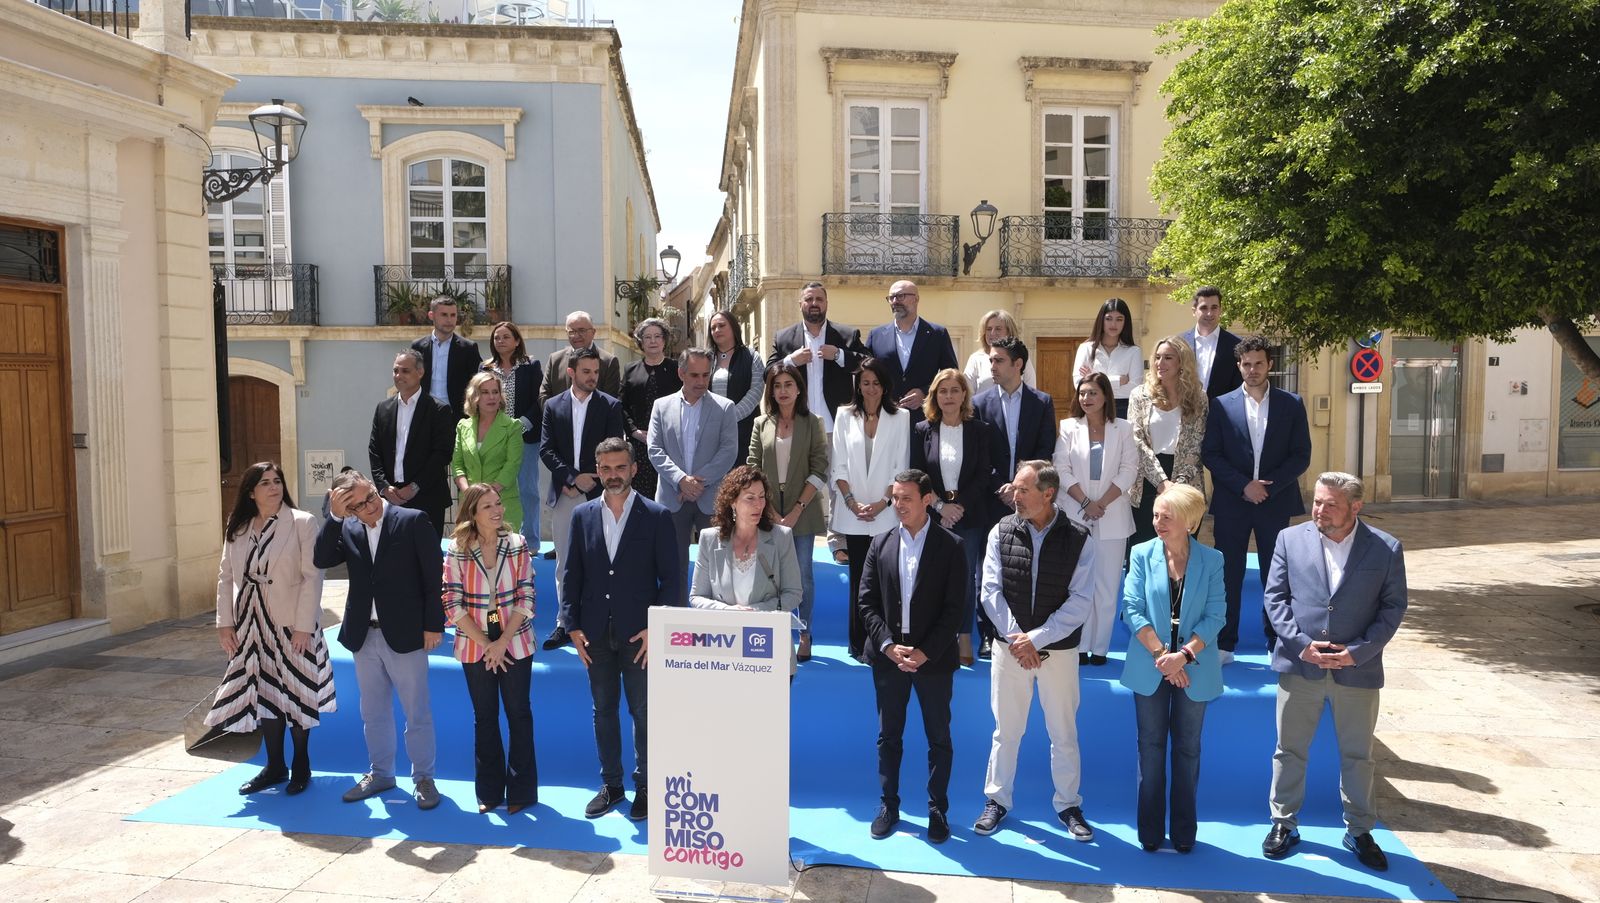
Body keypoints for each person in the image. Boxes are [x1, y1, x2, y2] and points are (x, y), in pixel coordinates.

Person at [1262, 473, 1408, 872]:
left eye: (1331, 504)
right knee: (1289, 750)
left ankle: (1359, 830)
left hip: (1356, 671)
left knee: (1358, 756)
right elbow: (1274, 598)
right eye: (1317, 501)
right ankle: (1283, 823)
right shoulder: (1289, 539)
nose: (1319, 510)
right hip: (1300, 664)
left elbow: (1393, 608)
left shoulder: (1386, 548)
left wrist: (1357, 653)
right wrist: (1300, 644)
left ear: (1355, 507)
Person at [972, 460, 1097, 843]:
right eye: (1014, 488)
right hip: (1010, 650)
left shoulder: (1080, 537)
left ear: (1048, 494)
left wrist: (1036, 639)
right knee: (1005, 731)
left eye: (1023, 489)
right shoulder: (1001, 529)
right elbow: (989, 591)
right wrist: (1017, 638)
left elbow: (1080, 601)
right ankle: (997, 800)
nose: (1014, 495)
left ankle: (1068, 805)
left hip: (1057, 653)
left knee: (1063, 733)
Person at [561, 438, 680, 821]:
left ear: (633, 469)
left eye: (620, 467)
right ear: (598, 470)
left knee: (644, 712)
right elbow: (571, 574)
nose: (613, 475)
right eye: (606, 468)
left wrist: (655, 626)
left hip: (639, 636)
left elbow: (673, 581)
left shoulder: (658, 516)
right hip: (595, 634)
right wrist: (572, 625)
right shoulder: (582, 516)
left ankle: (645, 785)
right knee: (603, 711)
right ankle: (612, 786)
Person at [314, 471, 444, 810]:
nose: (368, 508)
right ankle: (381, 773)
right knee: (373, 711)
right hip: (363, 633)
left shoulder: (413, 520)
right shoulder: (348, 526)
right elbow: (322, 559)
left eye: (369, 497)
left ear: (375, 489)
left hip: (406, 633)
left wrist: (433, 626)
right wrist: (334, 517)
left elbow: (434, 577)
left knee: (417, 712)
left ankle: (424, 779)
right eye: (357, 506)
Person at [206, 461, 334, 797]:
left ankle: (302, 763)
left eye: (277, 480)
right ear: (251, 491)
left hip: (292, 623)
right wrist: (225, 623)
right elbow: (226, 577)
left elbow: (312, 576)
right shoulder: (238, 527)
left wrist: (305, 627)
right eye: (265, 482)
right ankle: (275, 765)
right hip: (251, 622)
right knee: (265, 693)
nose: (274, 487)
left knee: (297, 691)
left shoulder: (303, 522)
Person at [857, 469, 968, 843]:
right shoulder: (879, 543)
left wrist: (924, 652)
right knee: (889, 735)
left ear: (926, 500)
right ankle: (889, 805)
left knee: (939, 738)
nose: (898, 504)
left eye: (906, 497)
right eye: (895, 497)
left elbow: (955, 609)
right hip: (889, 657)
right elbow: (867, 603)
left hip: (933, 660)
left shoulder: (951, 546)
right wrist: (889, 646)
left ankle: (937, 808)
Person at [1119, 484, 1225, 854]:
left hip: (1193, 668)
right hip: (1152, 664)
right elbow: (1132, 609)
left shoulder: (1212, 561)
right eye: (1155, 515)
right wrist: (1165, 656)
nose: (1158, 522)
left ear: (1190, 522)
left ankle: (1183, 834)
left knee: (1187, 750)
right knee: (1149, 749)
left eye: (1167, 516)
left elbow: (1216, 617)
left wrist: (1184, 657)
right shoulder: (1140, 553)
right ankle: (1149, 833)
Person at [1202, 336, 1312, 663]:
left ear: (1270, 365)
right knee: (1228, 574)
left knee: (1275, 575)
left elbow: (1301, 455)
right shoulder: (1220, 405)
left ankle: (1276, 639)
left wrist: (1268, 486)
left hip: (1274, 502)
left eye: (1258, 363)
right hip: (1232, 503)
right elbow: (1212, 454)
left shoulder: (1291, 404)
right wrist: (1243, 486)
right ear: (1239, 366)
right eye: (1246, 364)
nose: (1252, 369)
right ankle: (1225, 643)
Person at [441, 483, 538, 815]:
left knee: (519, 715)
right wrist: (487, 645)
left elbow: (526, 595)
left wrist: (502, 642)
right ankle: (490, 792)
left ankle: (522, 792)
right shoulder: (456, 550)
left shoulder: (518, 544)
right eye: (488, 506)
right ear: (472, 512)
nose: (497, 510)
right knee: (485, 718)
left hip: (515, 640)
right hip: (475, 645)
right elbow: (451, 603)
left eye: (498, 503)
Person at [767, 282, 867, 564]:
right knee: (799, 483)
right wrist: (789, 361)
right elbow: (768, 372)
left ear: (826, 303)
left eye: (819, 299)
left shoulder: (846, 335)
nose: (814, 304)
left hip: (837, 425)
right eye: (809, 299)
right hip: (798, 425)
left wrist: (841, 356)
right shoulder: (785, 337)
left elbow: (869, 363)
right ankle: (790, 537)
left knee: (838, 483)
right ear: (800, 303)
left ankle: (837, 541)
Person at [971, 336, 1058, 659]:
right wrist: (1003, 487)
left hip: (1031, 502)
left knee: (1025, 569)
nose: (992, 366)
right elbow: (978, 454)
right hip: (992, 499)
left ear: (1018, 364)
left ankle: (1025, 633)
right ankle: (989, 635)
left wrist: (1021, 488)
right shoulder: (980, 403)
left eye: (998, 360)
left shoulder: (1042, 402)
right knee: (987, 569)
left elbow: (1044, 450)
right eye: (991, 360)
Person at [539, 347, 626, 650]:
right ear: (571, 373)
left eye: (596, 372)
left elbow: (615, 450)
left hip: (600, 494)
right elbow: (546, 449)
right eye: (586, 372)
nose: (592, 377)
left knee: (601, 559)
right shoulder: (552, 405)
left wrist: (590, 478)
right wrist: (571, 477)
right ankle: (564, 623)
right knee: (564, 560)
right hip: (565, 493)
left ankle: (601, 622)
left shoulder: (611, 406)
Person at [1054, 372, 1139, 666]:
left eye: (1092, 393)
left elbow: (1129, 469)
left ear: (1106, 397)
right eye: (1082, 393)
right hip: (1075, 510)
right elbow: (1061, 469)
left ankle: (1099, 648)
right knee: (1077, 583)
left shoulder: (1124, 429)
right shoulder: (1068, 427)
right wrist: (1086, 502)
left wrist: (1100, 503)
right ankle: (1077, 646)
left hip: (1112, 512)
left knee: (1106, 584)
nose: (1086, 399)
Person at [909, 368, 992, 667]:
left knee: (966, 577)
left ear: (964, 395)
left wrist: (959, 507)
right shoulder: (922, 430)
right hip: (933, 515)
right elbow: (918, 474)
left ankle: (965, 635)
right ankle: (934, 637)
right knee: (932, 577)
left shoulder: (979, 430)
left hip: (969, 517)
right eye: (942, 391)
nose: (949, 396)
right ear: (934, 396)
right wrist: (940, 506)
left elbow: (984, 474)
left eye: (955, 390)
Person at [745, 362, 828, 661]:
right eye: (777, 385)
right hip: (765, 511)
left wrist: (796, 511)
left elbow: (820, 469)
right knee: (768, 576)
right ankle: (775, 634)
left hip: (802, 511)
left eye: (788, 385)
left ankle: (804, 633)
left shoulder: (813, 422)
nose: (782, 391)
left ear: (798, 388)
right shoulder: (760, 423)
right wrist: (766, 509)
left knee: (803, 576)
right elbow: (752, 466)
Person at [831, 357, 911, 660]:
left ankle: (882, 645)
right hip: (853, 514)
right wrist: (852, 503)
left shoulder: (901, 417)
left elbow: (900, 467)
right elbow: (838, 467)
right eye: (866, 383)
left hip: (886, 513)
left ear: (884, 385)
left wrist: (881, 504)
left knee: (884, 581)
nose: (871, 388)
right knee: (859, 581)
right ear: (858, 385)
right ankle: (857, 643)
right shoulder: (843, 416)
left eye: (876, 383)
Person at [648, 347, 739, 607]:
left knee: (717, 568)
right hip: (672, 498)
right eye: (695, 375)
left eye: (705, 375)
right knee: (671, 567)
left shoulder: (725, 408)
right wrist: (680, 480)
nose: (701, 381)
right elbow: (654, 449)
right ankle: (675, 625)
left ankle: (713, 625)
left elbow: (728, 450)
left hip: (710, 498)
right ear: (681, 373)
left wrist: (698, 482)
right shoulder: (661, 406)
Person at [689, 466, 803, 659]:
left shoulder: (781, 537)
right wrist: (730, 612)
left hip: (770, 649)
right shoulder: (709, 539)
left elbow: (794, 594)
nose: (759, 505)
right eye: (750, 498)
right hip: (723, 651)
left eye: (762, 497)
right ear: (732, 502)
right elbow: (696, 597)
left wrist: (755, 612)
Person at [1127, 337, 1209, 552]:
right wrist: (1162, 483)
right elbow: (1136, 441)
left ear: (1182, 362)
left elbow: (1195, 445)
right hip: (1146, 481)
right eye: (1157, 357)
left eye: (1168, 358)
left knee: (1182, 553)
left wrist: (1176, 488)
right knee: (1145, 552)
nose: (1160, 363)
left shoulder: (1198, 398)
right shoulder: (1139, 395)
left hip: (1186, 482)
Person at [369, 350, 455, 537]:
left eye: (405, 371)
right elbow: (374, 451)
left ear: (420, 372)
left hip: (427, 498)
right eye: (395, 371)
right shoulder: (383, 409)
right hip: (391, 500)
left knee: (426, 561)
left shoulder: (439, 410)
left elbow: (442, 453)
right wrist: (383, 486)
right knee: (394, 561)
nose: (399, 376)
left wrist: (415, 486)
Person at [482, 321, 544, 549]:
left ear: (517, 341)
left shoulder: (531, 366)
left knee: (527, 489)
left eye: (506, 337)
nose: (500, 341)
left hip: (525, 436)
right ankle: (501, 538)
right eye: (497, 337)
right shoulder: (485, 368)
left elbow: (540, 399)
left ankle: (531, 541)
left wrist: (523, 423)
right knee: (498, 488)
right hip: (495, 437)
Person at [865, 279, 959, 424]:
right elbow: (866, 375)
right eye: (891, 297)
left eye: (901, 296)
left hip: (925, 419)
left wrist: (925, 393)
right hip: (885, 418)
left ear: (916, 298)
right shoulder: (876, 335)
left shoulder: (937, 334)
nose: (895, 301)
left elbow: (951, 374)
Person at [452, 372, 524, 532]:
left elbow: (512, 466)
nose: (491, 397)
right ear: (474, 397)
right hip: (470, 507)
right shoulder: (463, 426)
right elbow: (457, 465)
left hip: (503, 505)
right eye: (485, 392)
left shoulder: (513, 427)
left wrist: (487, 495)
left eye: (495, 392)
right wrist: (470, 493)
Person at [620, 317, 682, 499]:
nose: (653, 341)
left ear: (664, 340)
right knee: (641, 495)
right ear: (641, 342)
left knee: (670, 495)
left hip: (672, 443)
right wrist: (634, 431)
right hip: (640, 443)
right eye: (647, 337)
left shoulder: (677, 369)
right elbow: (621, 405)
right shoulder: (630, 370)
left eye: (657, 336)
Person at [411, 295, 483, 418]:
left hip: (456, 417)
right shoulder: (418, 346)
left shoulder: (468, 348)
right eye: (444, 315)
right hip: (425, 415)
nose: (449, 320)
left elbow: (478, 382)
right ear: (431, 316)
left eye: (453, 315)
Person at [707, 310, 766, 458]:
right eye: (713, 328)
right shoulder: (706, 359)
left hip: (744, 430)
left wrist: (729, 417)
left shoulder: (752, 356)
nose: (717, 330)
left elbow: (756, 392)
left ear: (733, 327)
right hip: (712, 431)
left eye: (721, 325)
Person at [1072, 298, 1143, 419]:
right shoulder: (1085, 349)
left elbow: (1134, 389)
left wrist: (1093, 380)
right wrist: (1118, 381)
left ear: (1125, 322)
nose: (1113, 324)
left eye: (1119, 319)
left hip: (1123, 410)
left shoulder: (1134, 351)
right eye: (1108, 318)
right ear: (1101, 320)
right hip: (1091, 409)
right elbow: (1078, 384)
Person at [541, 310, 622, 404]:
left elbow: (610, 400)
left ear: (593, 332)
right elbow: (544, 395)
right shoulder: (555, 360)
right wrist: (557, 415)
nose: (576, 336)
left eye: (582, 330)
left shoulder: (608, 362)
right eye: (572, 332)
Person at [1179, 286, 1243, 399]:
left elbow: (1239, 386)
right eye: (1204, 308)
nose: (1209, 313)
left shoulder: (1237, 345)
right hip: (1184, 411)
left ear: (1220, 310)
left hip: (1222, 413)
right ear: (1194, 311)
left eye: (1214, 307)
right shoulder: (1179, 343)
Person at [963, 309, 1036, 395]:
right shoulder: (976, 359)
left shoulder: (1020, 358)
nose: (992, 333)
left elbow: (1031, 390)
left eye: (998, 329)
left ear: (1009, 332)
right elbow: (967, 395)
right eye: (989, 329)